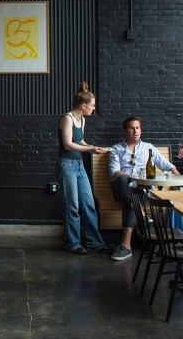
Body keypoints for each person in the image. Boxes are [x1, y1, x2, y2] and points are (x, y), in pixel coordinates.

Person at [108, 116, 180, 261]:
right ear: (125, 130)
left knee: (129, 198)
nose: (135, 131)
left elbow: (168, 166)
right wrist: (132, 179)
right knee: (124, 180)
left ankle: (126, 245)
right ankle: (140, 212)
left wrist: (182, 182)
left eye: (137, 128)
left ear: (141, 130)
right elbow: (114, 172)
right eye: (131, 128)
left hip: (141, 191)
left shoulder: (149, 148)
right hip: (120, 187)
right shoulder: (116, 149)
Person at [56, 81, 111, 254]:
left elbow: (79, 141)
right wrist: (90, 149)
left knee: (88, 204)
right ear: (83, 105)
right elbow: (67, 144)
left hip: (79, 165)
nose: (94, 109)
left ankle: (94, 243)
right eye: (92, 106)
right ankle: (74, 244)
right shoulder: (67, 119)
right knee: (72, 205)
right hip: (66, 165)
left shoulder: (82, 120)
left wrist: (93, 147)